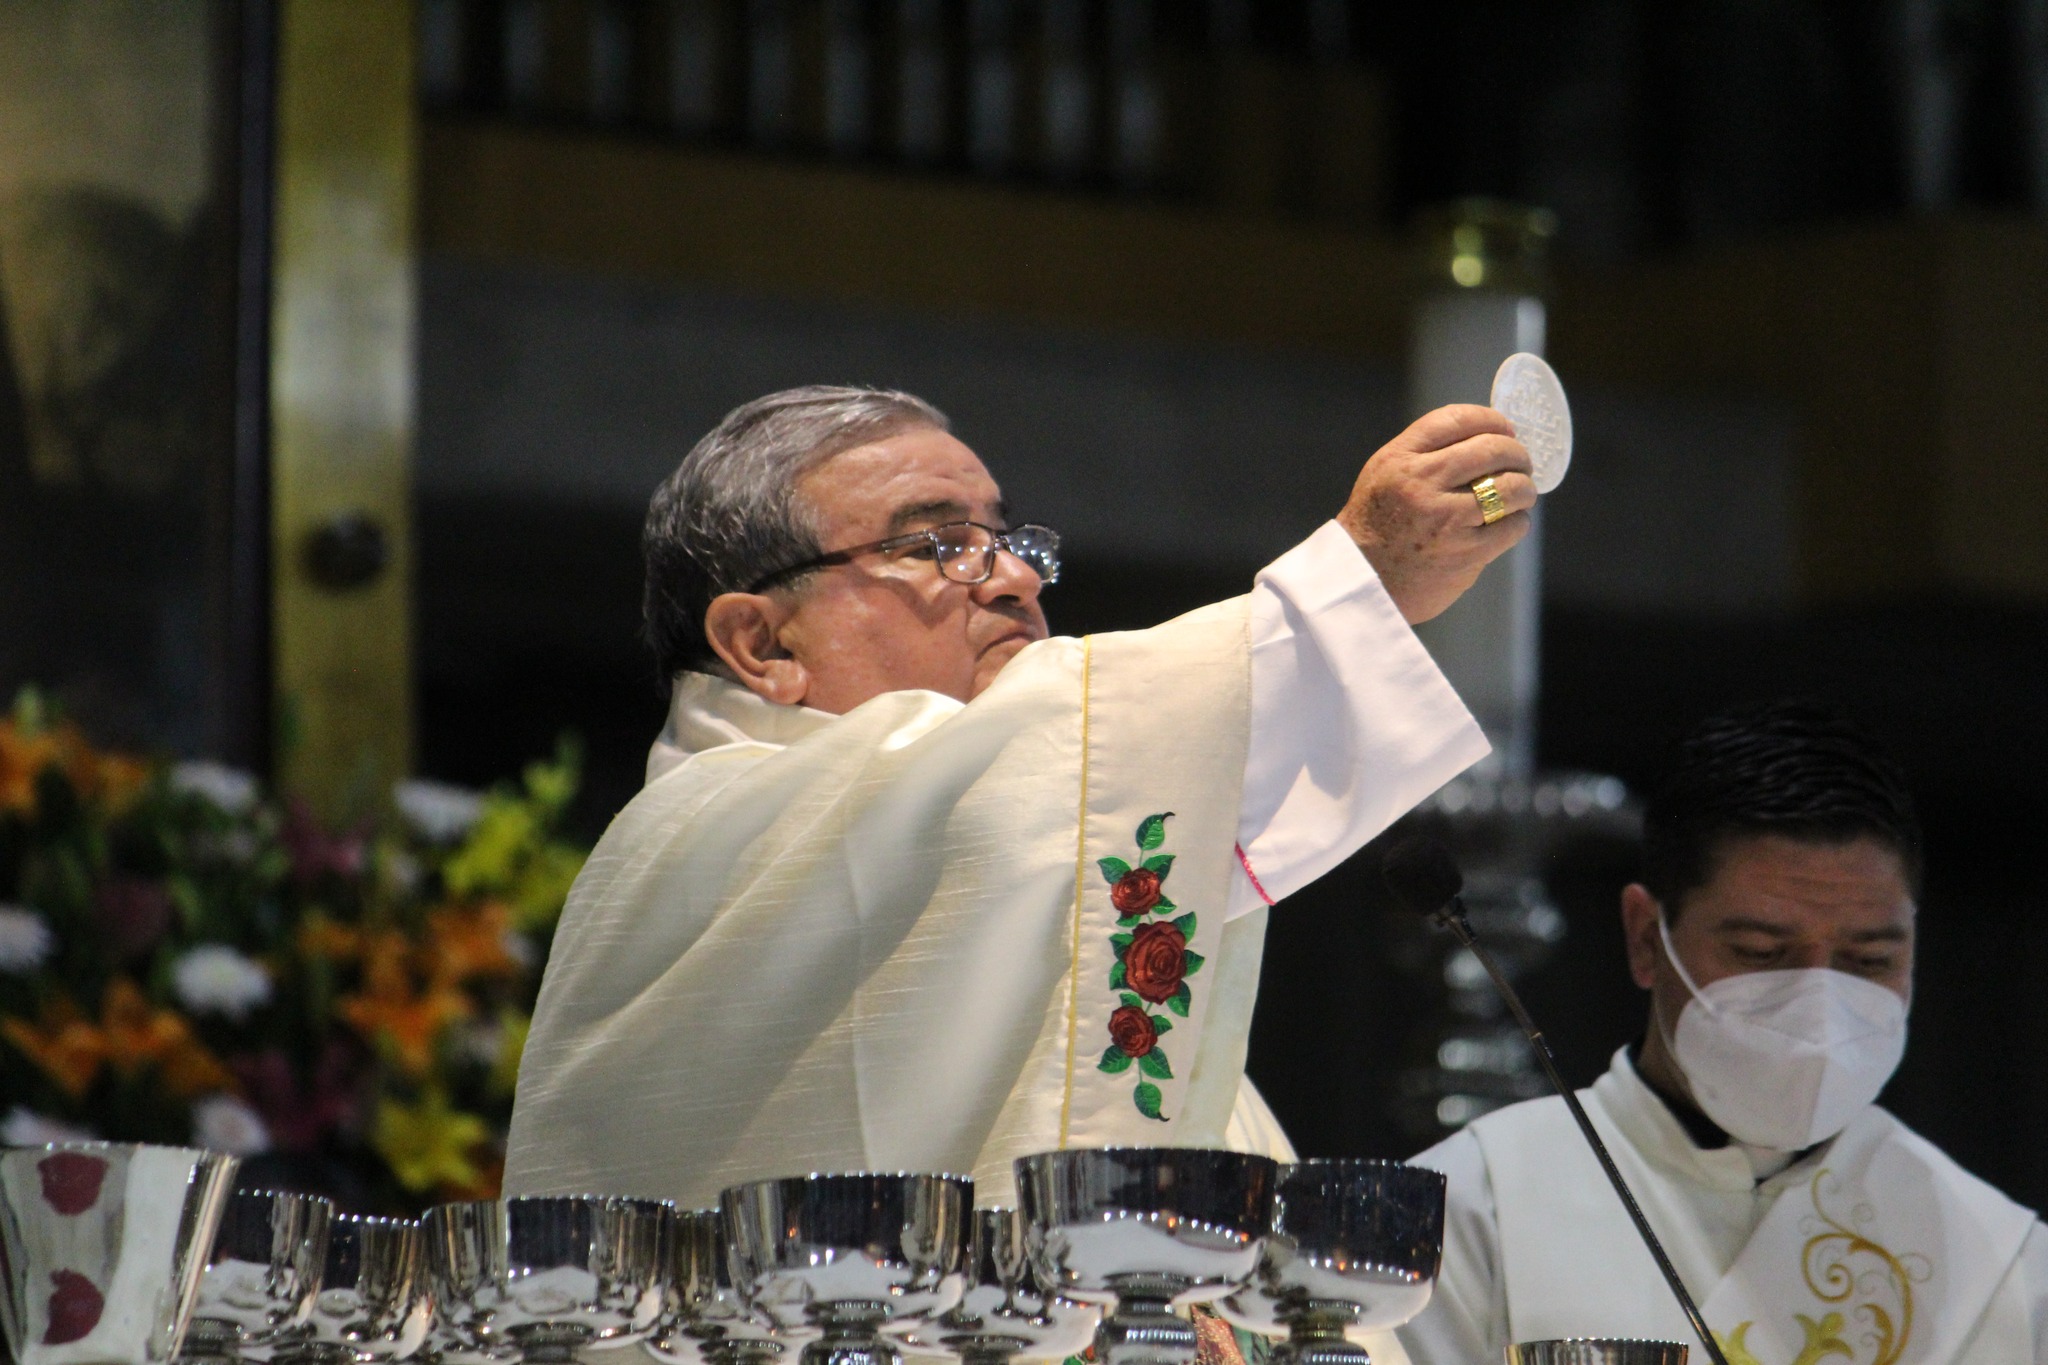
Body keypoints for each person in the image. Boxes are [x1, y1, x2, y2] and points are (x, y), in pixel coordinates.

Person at [504, 384, 1535, 1210]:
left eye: (1006, 541)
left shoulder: (1027, 900)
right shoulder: (707, 833)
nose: (1011, 581)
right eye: (932, 545)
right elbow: (1031, 767)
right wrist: (1354, 579)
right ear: (761, 645)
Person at [1398, 701, 2048, 1365]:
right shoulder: (1473, 1210)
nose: (1819, 1006)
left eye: (1869, 961)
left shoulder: (2003, 1265)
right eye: (1762, 952)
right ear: (1646, 937)